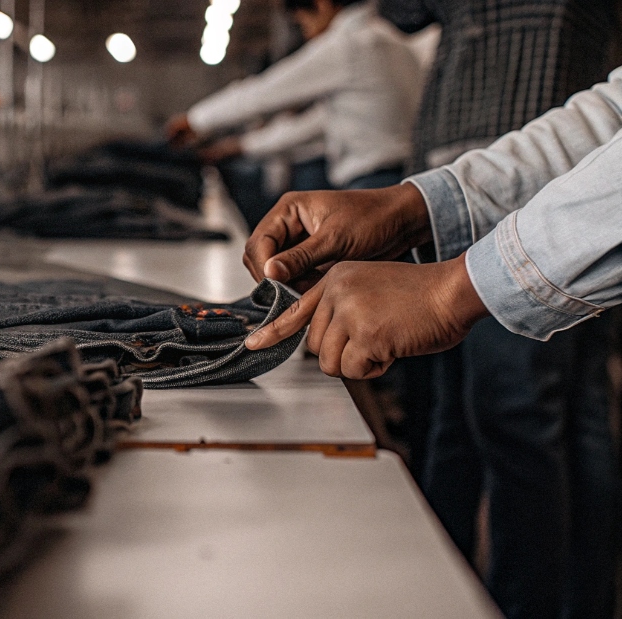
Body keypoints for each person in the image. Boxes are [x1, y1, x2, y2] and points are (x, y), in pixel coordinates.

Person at [243, 65, 622, 619]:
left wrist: (455, 289)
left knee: (516, 423)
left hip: (530, 233)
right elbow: (613, 115)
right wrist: (411, 208)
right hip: (514, 215)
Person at [165, 0, 423, 190]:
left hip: (371, 184)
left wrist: (195, 119)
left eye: (302, 22)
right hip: (407, 181)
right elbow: (316, 124)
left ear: (322, 5)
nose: (307, 33)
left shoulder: (347, 45)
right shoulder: (395, 43)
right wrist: (243, 146)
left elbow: (263, 93)